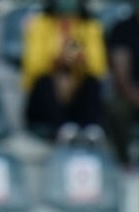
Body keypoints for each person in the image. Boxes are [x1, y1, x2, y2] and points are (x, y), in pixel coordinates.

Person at [23, 0, 107, 143]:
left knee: (92, 81)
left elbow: (99, 67)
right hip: (46, 95)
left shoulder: (90, 26)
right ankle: (61, 127)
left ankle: (91, 126)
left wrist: (81, 60)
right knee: (44, 81)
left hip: (78, 87)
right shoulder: (40, 25)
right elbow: (33, 66)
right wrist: (57, 61)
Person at [106, 0, 139, 167]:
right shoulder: (122, 30)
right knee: (117, 109)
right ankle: (123, 164)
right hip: (131, 96)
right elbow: (122, 79)